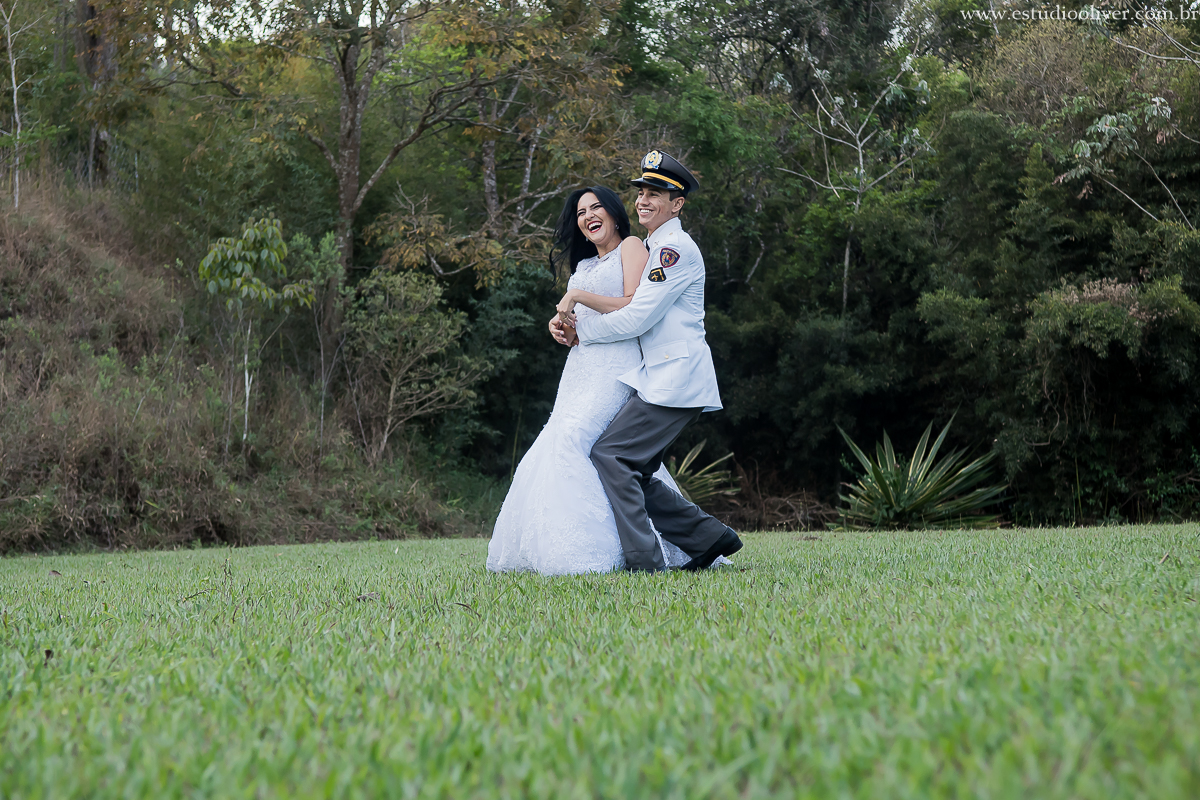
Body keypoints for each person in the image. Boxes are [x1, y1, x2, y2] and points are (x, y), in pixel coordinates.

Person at [486, 185, 718, 574]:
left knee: (583, 445)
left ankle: (614, 554)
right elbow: (580, 318)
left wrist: (578, 298)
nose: (588, 216)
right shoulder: (583, 266)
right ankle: (689, 539)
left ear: (613, 213)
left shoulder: (633, 246)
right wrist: (559, 325)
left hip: (615, 366)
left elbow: (634, 305)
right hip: (580, 368)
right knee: (591, 452)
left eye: (596, 208)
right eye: (580, 213)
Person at [551, 151, 743, 572]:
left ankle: (645, 561)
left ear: (677, 204)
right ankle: (711, 537)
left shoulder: (673, 250)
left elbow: (638, 316)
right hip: (660, 375)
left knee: (611, 455)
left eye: (656, 194)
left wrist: (583, 331)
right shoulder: (658, 246)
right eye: (641, 193)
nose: (643, 201)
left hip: (677, 377)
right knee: (631, 466)